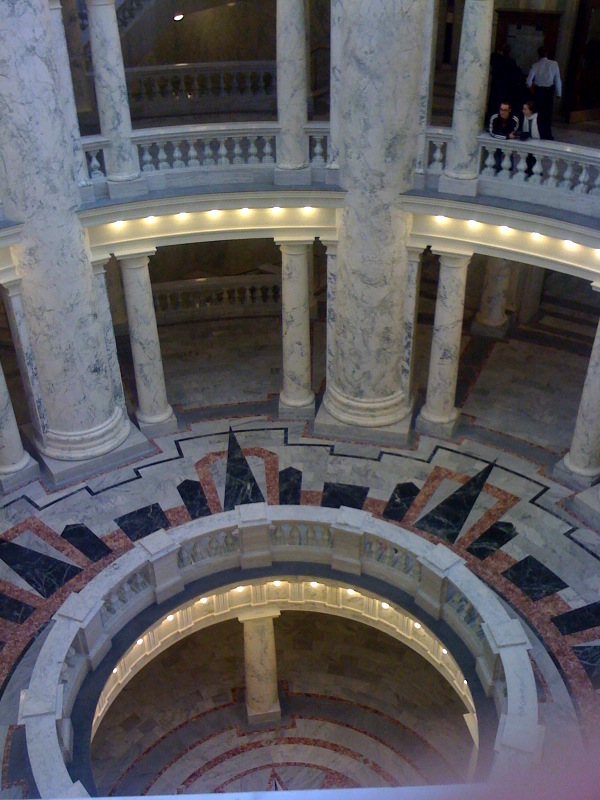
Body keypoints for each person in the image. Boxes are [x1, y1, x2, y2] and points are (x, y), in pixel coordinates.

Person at [526, 47, 562, 140]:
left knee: (538, 113)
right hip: (549, 92)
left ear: (538, 55)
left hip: (538, 91)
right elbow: (557, 80)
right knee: (547, 114)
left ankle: (536, 133)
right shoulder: (554, 64)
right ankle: (546, 134)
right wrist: (559, 93)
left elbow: (528, 82)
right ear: (547, 54)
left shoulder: (535, 65)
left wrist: (532, 90)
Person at [511, 100, 541, 177]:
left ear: (531, 110)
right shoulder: (522, 118)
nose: (523, 111)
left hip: (537, 145)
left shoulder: (539, 119)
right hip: (527, 144)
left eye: (525, 109)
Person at [488, 101, 520, 173]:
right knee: (496, 163)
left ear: (509, 110)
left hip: (508, 145)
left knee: (509, 163)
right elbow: (492, 132)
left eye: (505, 110)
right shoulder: (494, 117)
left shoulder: (514, 119)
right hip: (496, 144)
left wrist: (505, 135)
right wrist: (506, 136)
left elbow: (513, 133)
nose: (502, 112)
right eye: (501, 109)